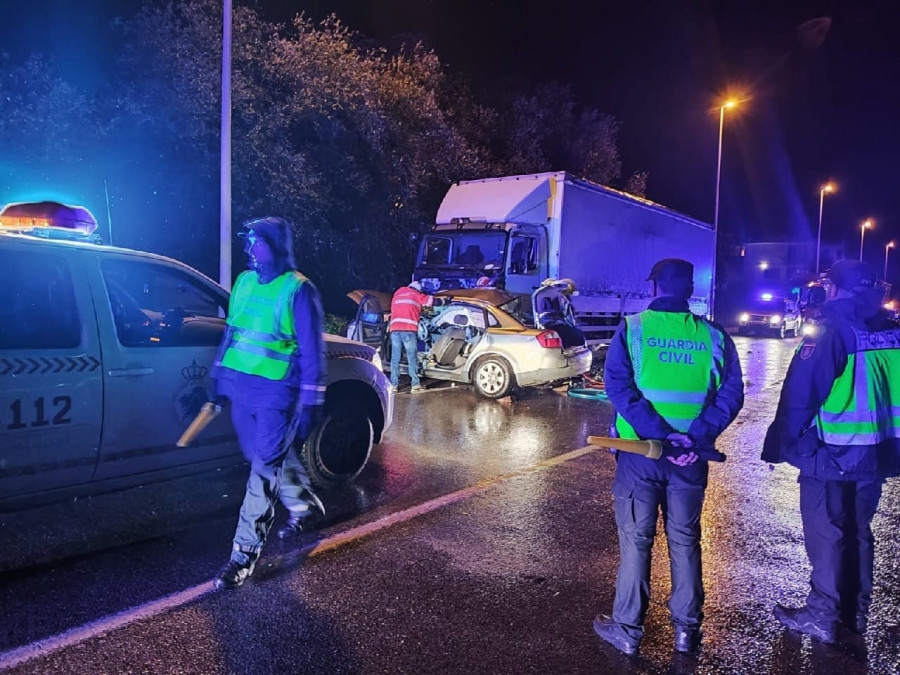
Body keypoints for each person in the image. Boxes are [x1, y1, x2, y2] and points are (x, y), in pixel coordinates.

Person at [594, 258, 744, 656]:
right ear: (690, 289)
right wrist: (695, 437)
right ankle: (686, 632)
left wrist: (660, 435)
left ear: (655, 286)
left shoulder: (635, 328)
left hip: (642, 456)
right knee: (685, 541)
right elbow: (731, 394)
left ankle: (627, 629)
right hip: (690, 459)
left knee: (636, 542)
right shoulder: (714, 336)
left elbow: (619, 388)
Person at [762, 259, 900, 643]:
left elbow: (801, 396)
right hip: (877, 453)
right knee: (859, 532)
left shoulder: (832, 331)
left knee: (827, 533)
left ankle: (822, 614)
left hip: (832, 451)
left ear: (836, 289)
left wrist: (785, 444)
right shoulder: (892, 331)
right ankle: (854, 616)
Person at [209, 216, 327, 589]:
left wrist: (310, 402)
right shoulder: (244, 282)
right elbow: (232, 334)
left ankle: (242, 556)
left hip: (278, 393)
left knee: (262, 471)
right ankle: (304, 504)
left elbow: (312, 352)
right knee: (262, 457)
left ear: (275, 246)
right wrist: (215, 376)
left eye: (254, 242)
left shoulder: (298, 289)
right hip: (241, 389)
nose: (248, 249)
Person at [388, 280, 435, 393]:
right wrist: (444, 299)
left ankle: (393, 385)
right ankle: (415, 385)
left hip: (394, 329)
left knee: (395, 358)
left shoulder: (398, 294)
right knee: (411, 357)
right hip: (408, 329)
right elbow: (430, 301)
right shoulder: (416, 295)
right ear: (418, 290)